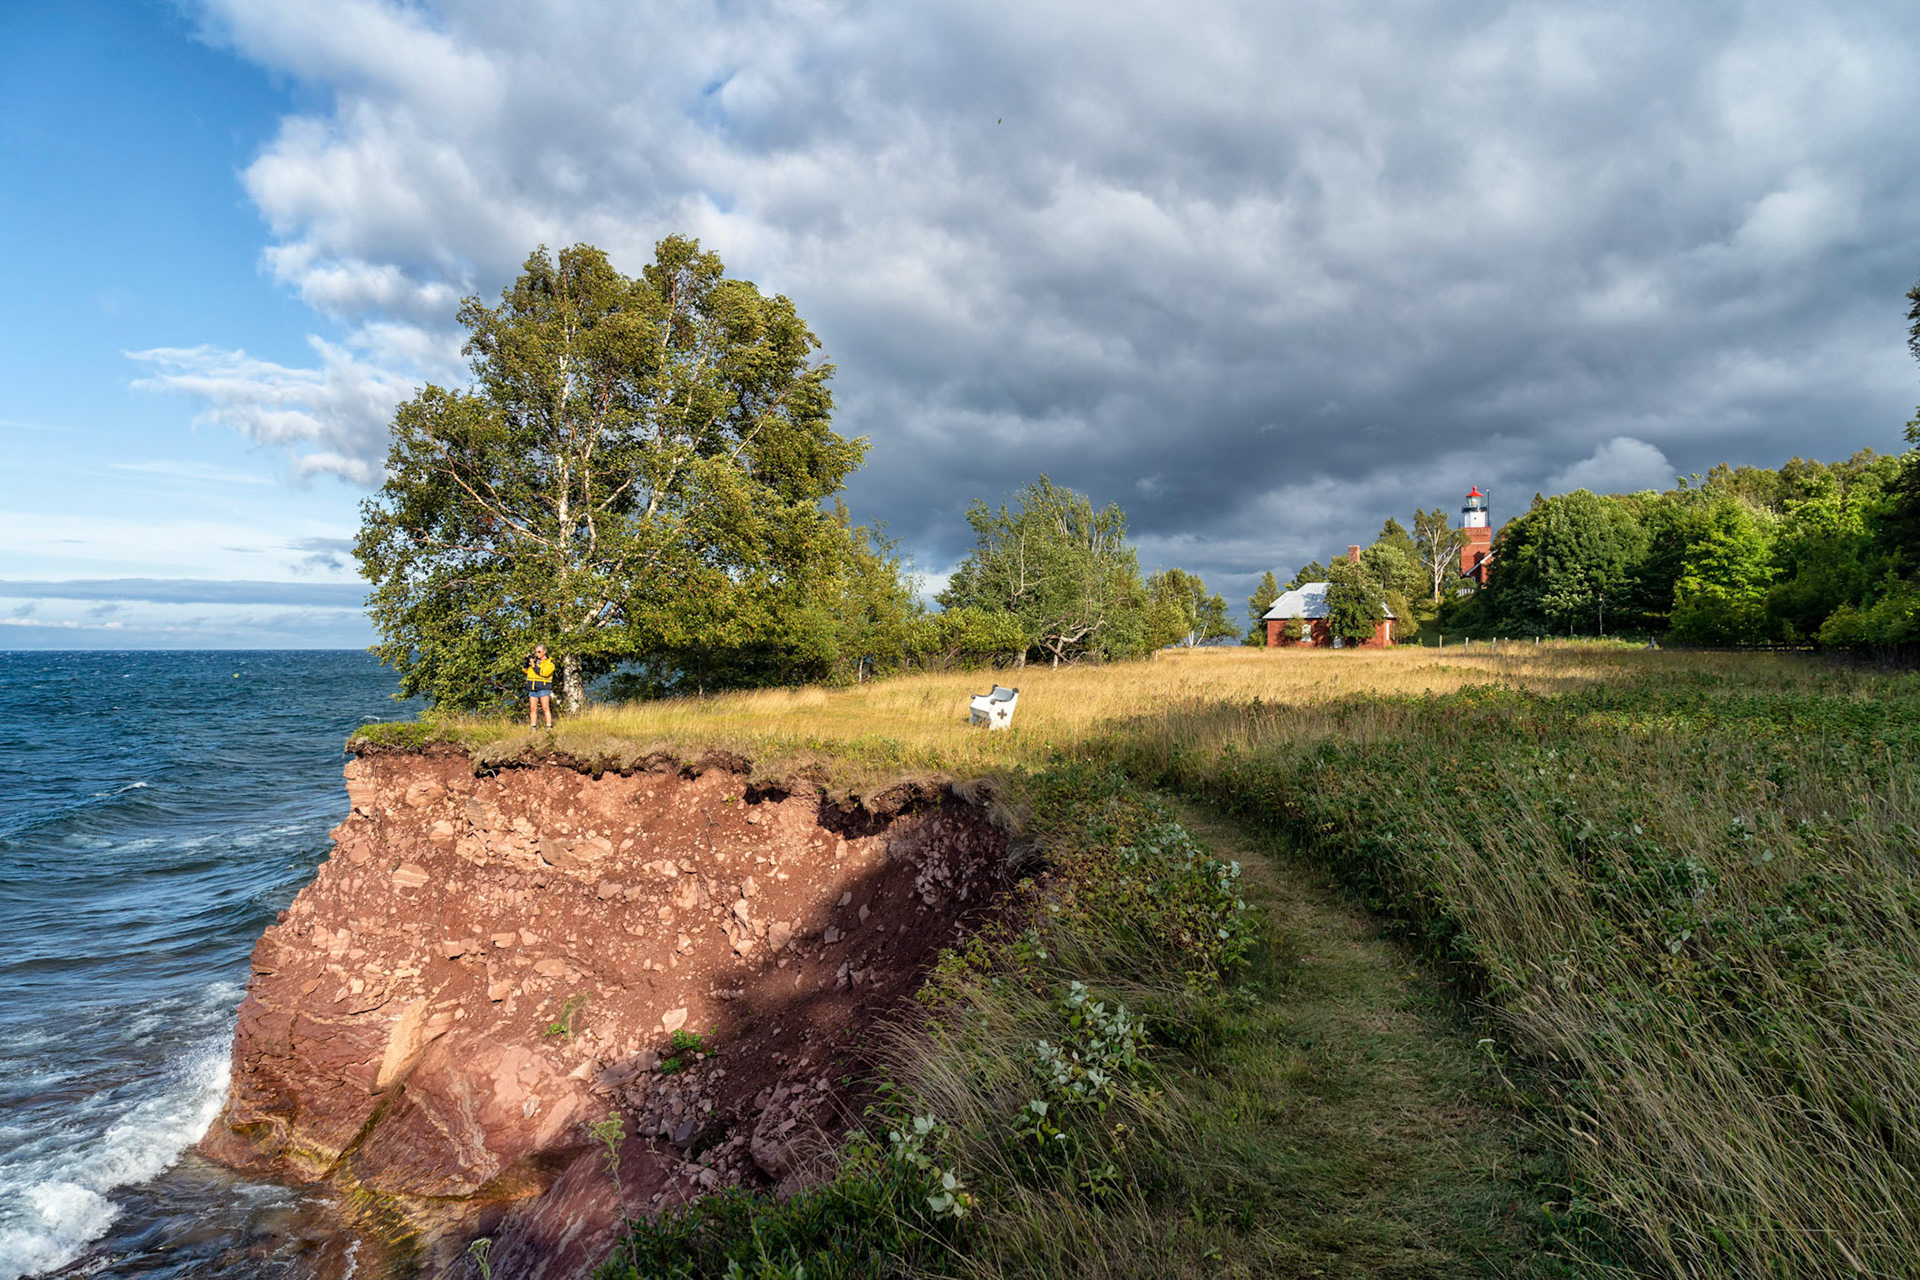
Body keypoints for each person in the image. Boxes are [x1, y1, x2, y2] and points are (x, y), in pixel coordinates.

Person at [525, 645, 556, 729]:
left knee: (545, 707)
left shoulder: (549, 663)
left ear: (544, 652)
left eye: (539, 652)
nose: (537, 654)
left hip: (543, 687)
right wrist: (527, 662)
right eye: (535, 652)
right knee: (532, 708)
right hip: (533, 687)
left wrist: (534, 665)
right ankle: (533, 726)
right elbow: (525, 671)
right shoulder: (534, 662)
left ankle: (549, 726)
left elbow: (544, 673)